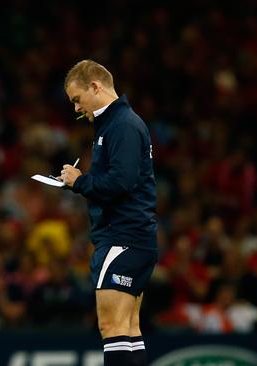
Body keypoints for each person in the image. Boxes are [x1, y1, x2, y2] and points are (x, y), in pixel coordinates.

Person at [59, 60, 158, 366]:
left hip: (122, 238)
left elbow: (121, 182)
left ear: (95, 87)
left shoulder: (122, 125)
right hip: (134, 237)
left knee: (112, 328)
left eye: (77, 99)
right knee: (129, 329)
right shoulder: (117, 124)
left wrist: (79, 182)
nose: (77, 109)